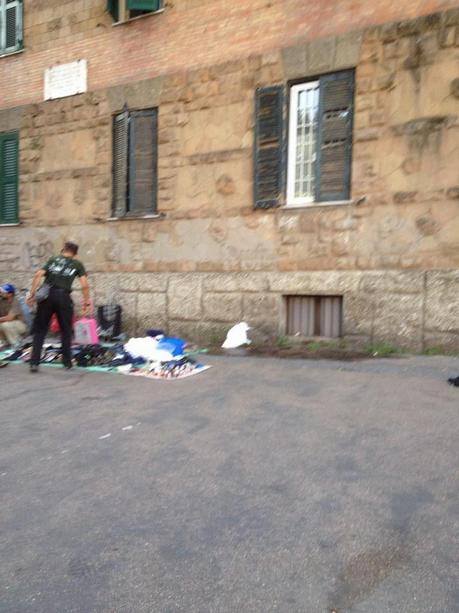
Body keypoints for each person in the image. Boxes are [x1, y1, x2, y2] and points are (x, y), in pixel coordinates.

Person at [27, 241, 91, 373]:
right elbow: (84, 284)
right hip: (63, 298)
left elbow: (38, 275)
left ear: (63, 250)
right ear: (75, 254)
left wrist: (32, 294)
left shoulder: (53, 259)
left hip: (46, 297)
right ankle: (67, 363)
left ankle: (34, 363)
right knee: (66, 330)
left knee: (40, 330)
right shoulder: (77, 264)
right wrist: (87, 302)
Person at [0, 283, 27, 348]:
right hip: (8, 323)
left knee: (5, 325)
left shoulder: (15, 301)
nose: (0, 293)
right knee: (4, 324)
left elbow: (10, 318)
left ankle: (16, 343)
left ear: (10, 294)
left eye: (2, 292)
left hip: (21, 325)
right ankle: (4, 342)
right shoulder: (2, 301)